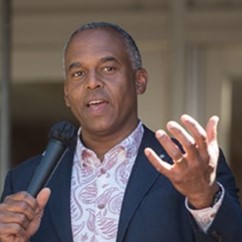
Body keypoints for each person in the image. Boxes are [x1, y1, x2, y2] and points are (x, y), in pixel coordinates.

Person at [0, 22, 241, 242]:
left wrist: (204, 200)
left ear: (140, 80)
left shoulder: (192, 166)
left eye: (108, 68)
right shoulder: (24, 181)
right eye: (78, 73)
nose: (92, 82)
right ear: (66, 93)